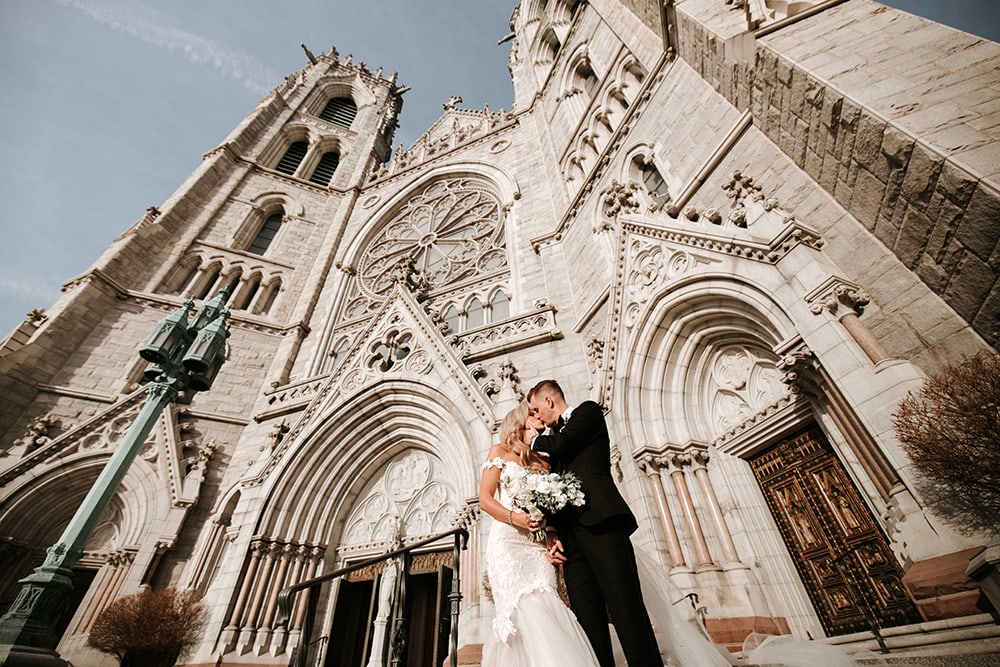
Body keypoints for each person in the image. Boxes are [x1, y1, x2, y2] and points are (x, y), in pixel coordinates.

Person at [525, 379, 663, 667]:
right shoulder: (555, 437)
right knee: (587, 619)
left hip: (603, 526)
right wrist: (551, 530)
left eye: (537, 409)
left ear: (549, 401)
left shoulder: (587, 413)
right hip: (571, 539)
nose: (537, 417)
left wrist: (532, 440)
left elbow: (561, 445)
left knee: (626, 608)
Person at [479, 401, 602, 666]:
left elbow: (549, 508)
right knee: (520, 614)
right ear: (520, 419)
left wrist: (550, 534)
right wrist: (516, 518)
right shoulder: (499, 451)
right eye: (532, 413)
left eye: (540, 415)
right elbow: (485, 500)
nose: (539, 418)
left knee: (547, 605)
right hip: (507, 544)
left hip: (537, 548)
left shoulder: (544, 461)